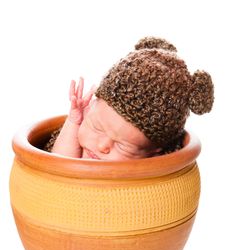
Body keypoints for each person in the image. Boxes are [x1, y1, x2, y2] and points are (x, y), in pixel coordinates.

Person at [45, 37, 214, 160]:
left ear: (153, 152)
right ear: (91, 108)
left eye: (123, 146)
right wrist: (73, 122)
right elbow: (58, 164)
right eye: (96, 127)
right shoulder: (79, 144)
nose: (102, 146)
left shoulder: (149, 167)